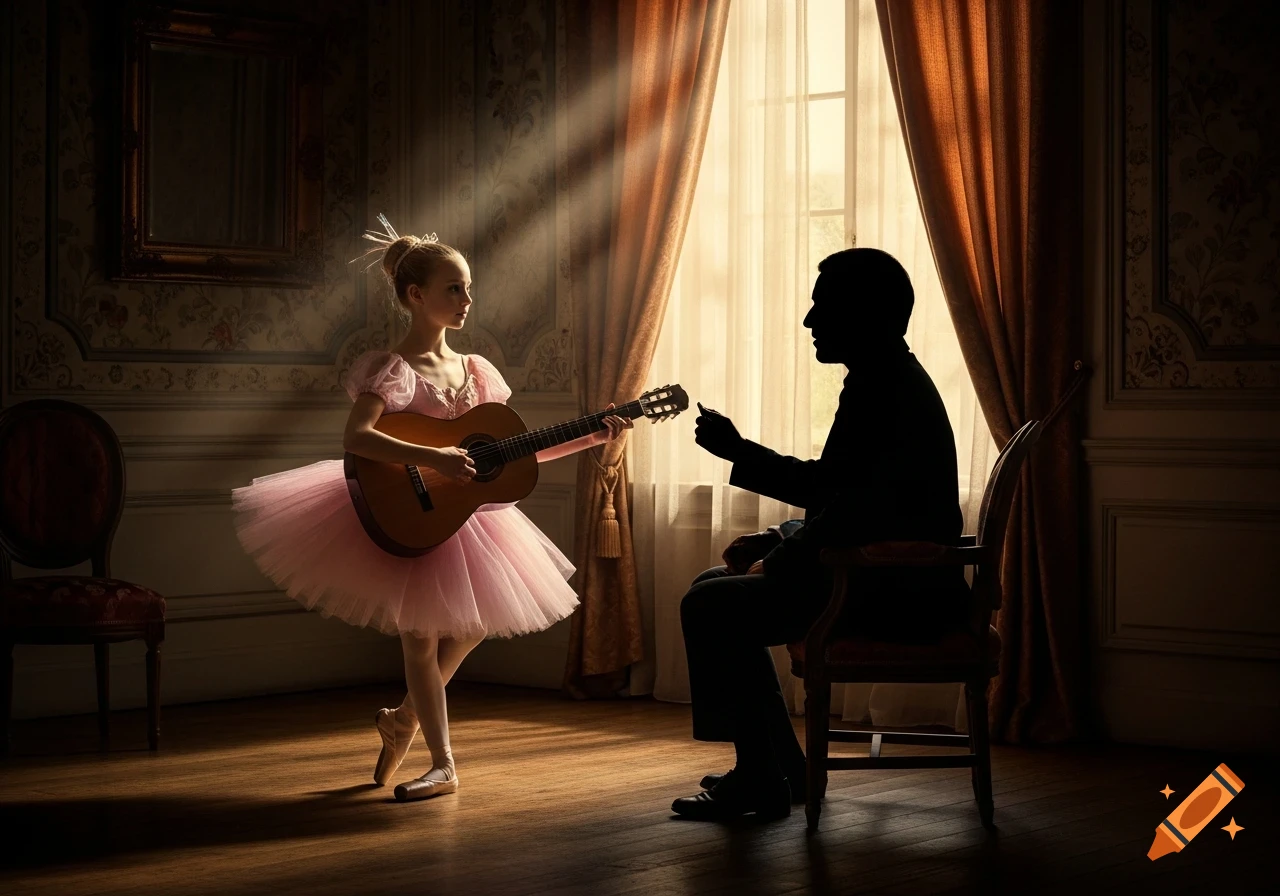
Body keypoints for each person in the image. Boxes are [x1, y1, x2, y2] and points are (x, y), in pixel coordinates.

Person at [232, 222, 632, 802]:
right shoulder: (392, 369)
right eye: (454, 289)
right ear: (416, 295)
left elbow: (511, 450)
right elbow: (357, 438)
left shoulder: (478, 370)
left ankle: (402, 720)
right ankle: (444, 764)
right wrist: (434, 457)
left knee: (473, 625)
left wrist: (591, 437)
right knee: (420, 639)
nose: (467, 299)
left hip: (469, 516)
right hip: (410, 506)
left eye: (468, 288)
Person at [671, 248, 967, 821]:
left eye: (821, 306)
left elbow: (851, 505)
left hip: (885, 590)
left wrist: (779, 545)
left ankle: (761, 777)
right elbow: (845, 493)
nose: (809, 320)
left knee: (709, 604)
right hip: (881, 577)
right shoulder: (887, 380)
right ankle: (781, 768)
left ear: (864, 313)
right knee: (712, 587)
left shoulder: (882, 389)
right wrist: (778, 534)